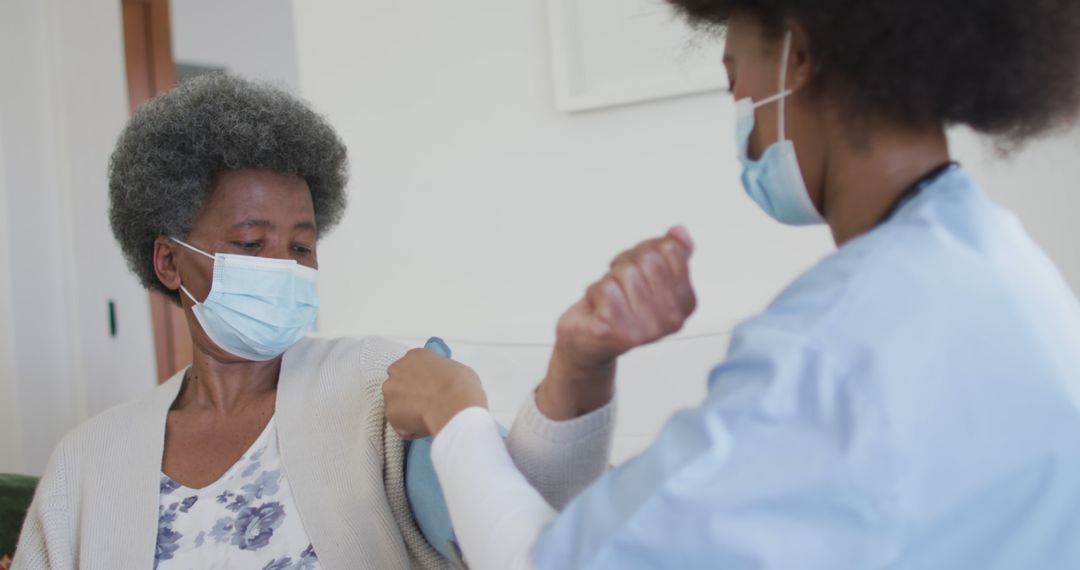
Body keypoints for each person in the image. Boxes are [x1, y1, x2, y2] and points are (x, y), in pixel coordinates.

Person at [381, 0, 1080, 568]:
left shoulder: (829, 345)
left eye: (732, 78)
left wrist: (456, 414)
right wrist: (583, 363)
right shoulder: (1003, 260)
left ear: (798, 57)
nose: (741, 115)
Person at [12, 74, 614, 570]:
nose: (283, 268)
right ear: (170, 261)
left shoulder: (375, 382)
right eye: (251, 243)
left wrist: (576, 373)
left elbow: (532, 518)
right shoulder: (86, 463)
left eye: (301, 247)